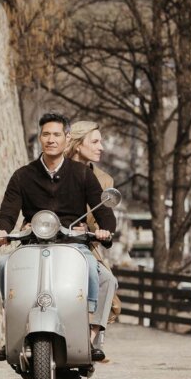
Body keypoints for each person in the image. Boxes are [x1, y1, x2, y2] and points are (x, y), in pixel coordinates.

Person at [0, 112, 115, 362]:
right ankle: (12, 332)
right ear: (40, 138)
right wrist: (1, 231)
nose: (51, 140)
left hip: (72, 245)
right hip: (33, 243)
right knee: (4, 263)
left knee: (94, 269)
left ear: (67, 138)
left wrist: (105, 229)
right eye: (46, 134)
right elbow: (7, 213)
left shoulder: (82, 174)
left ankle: (89, 329)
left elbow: (105, 212)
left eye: (57, 135)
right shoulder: (23, 175)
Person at [66, 120, 120, 352]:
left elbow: (104, 222)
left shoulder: (104, 181)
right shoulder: (51, 170)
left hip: (84, 245)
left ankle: (90, 340)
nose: (102, 147)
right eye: (95, 141)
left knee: (107, 280)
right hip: (49, 241)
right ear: (78, 145)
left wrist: (93, 232)